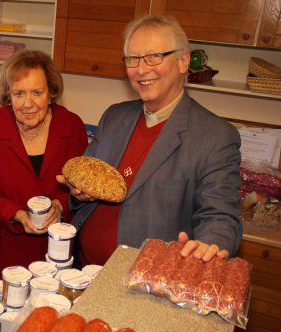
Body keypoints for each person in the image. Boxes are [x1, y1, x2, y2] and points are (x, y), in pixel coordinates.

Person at [58, 15, 242, 266]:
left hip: (146, 283)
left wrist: (210, 245)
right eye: (132, 59)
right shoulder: (115, 115)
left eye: (154, 56)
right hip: (81, 268)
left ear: (183, 61)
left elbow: (220, 217)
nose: (141, 69)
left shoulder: (216, 137)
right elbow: (87, 178)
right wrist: (79, 192)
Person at [0, 50, 88, 281]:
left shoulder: (72, 127)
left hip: (57, 251)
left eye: (37, 92)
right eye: (19, 93)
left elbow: (84, 188)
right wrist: (15, 213)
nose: (28, 104)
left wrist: (61, 205)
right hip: (6, 251)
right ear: (8, 96)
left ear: (51, 92)